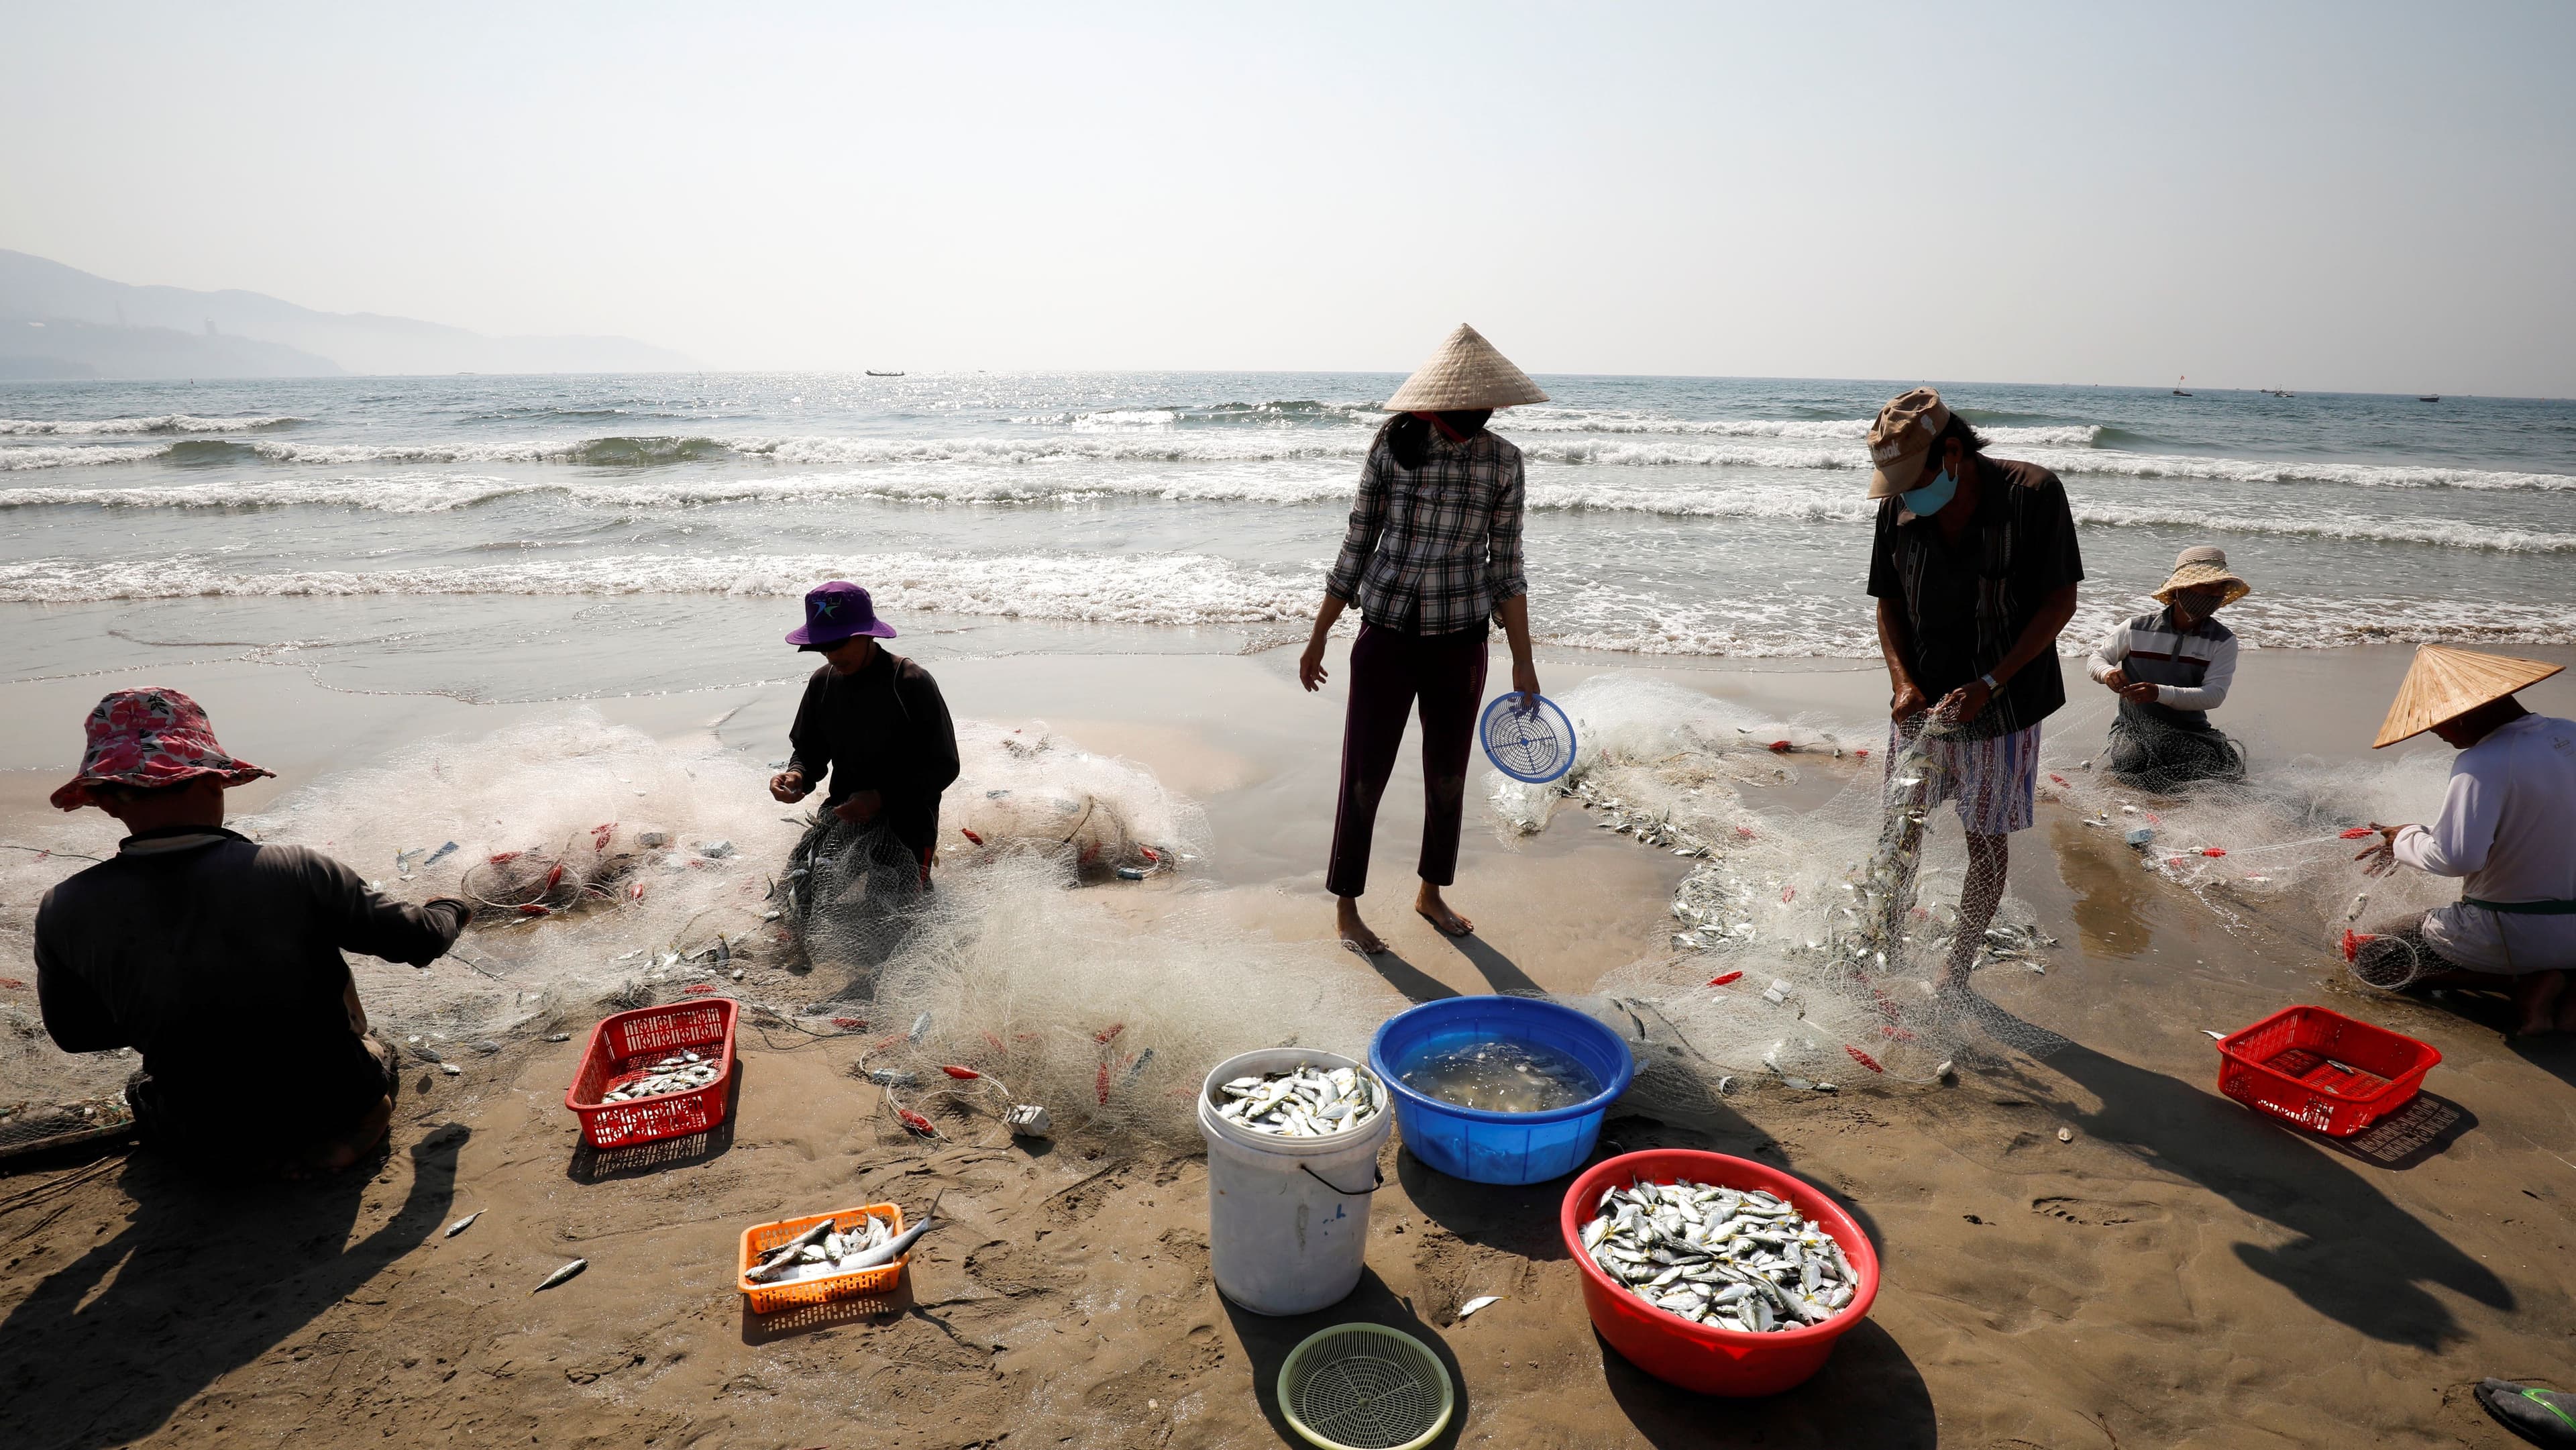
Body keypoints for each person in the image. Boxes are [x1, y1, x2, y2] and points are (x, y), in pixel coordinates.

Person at [34, 688, 468, 1177]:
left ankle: (235, 1155)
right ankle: (346, 1140)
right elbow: (421, 940)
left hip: (201, 1130)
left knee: (146, 1086)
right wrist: (452, 906)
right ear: (216, 781)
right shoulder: (296, 870)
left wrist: (174, 1006)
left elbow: (75, 1034)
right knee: (372, 1049)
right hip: (335, 1107)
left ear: (106, 802)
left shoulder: (63, 906)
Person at [1300, 323, 1544, 955]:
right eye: (1475, 404)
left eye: (1490, 405)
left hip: (1461, 640)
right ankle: (1347, 909)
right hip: (1386, 635)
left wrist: (1523, 662)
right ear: (1444, 401)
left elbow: (1507, 567)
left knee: (1448, 777)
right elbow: (1358, 542)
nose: (1484, 412)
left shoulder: (1503, 462)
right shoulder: (1392, 445)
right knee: (1364, 774)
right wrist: (1320, 631)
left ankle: (1430, 892)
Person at [1863, 387, 2083, 990]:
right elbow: (1888, 603)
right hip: (1922, 704)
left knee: (1985, 841)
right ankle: (1881, 942)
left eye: (1916, 480)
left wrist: (1990, 681)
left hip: (2006, 704)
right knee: (1900, 830)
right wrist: (1903, 682)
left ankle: (1956, 969)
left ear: (1953, 452)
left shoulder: (2034, 496)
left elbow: (2058, 601)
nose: (1909, 497)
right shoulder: (1899, 508)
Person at [2352, 645, 2576, 1035]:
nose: (2435, 732)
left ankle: (2522, 984)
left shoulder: (2484, 761)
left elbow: (2456, 859)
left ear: (2465, 712)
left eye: (2436, 722)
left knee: (2370, 960)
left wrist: (2403, 838)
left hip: (2513, 930)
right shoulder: (2568, 733)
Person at [768, 582, 960, 948]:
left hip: (908, 820)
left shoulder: (910, 682)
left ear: (866, 635)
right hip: (844, 813)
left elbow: (944, 766)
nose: (831, 654)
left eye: (839, 643)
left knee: (895, 919)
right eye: (822, 645)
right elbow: (809, 751)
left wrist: (880, 798)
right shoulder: (823, 683)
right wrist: (797, 776)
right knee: (797, 893)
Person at [2087, 545, 2251, 791]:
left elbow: (2215, 695)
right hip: (2133, 728)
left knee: (2221, 769)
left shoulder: (2222, 640)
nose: (2214, 595)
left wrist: (2160, 693)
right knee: (2133, 761)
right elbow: (2098, 658)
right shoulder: (2136, 628)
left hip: (2191, 731)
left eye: (2219, 588)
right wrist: (2107, 673)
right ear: (2180, 590)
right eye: (2206, 586)